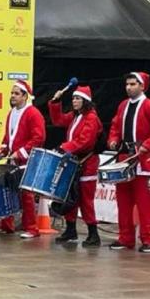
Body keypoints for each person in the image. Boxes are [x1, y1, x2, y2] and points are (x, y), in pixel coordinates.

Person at [106, 72, 150, 252]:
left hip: (142, 160)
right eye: (127, 84)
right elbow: (115, 126)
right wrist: (113, 139)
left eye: (133, 84)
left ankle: (149, 240)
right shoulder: (123, 105)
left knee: (144, 204)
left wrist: (148, 145)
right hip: (124, 159)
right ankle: (125, 237)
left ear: (142, 86)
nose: (129, 87)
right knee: (123, 202)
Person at [48, 84, 102, 246]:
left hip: (87, 164)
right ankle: (71, 230)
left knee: (85, 199)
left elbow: (85, 142)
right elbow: (58, 120)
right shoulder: (76, 116)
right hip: (75, 163)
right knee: (70, 197)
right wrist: (55, 102)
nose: (74, 101)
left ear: (85, 101)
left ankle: (93, 233)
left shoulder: (91, 118)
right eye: (73, 98)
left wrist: (64, 147)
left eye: (77, 98)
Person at [0, 80, 46, 238]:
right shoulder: (12, 112)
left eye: (16, 93)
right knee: (7, 192)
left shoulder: (33, 113)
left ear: (25, 96)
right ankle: (6, 224)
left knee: (26, 195)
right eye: (12, 93)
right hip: (14, 160)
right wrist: (3, 151)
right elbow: (9, 136)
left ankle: (31, 228)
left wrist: (20, 152)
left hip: (26, 160)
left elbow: (38, 138)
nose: (13, 96)